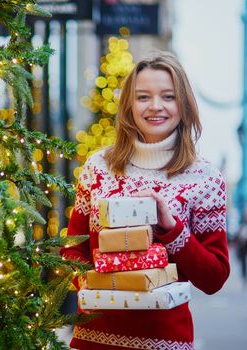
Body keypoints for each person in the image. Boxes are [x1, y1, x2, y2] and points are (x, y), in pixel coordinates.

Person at [60, 51, 230, 349]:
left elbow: (214, 277)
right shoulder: (98, 167)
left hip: (165, 342)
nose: (155, 107)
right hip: (94, 338)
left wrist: (172, 229)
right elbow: (74, 249)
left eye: (168, 96)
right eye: (143, 97)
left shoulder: (205, 178)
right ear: (128, 104)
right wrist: (95, 287)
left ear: (184, 103)